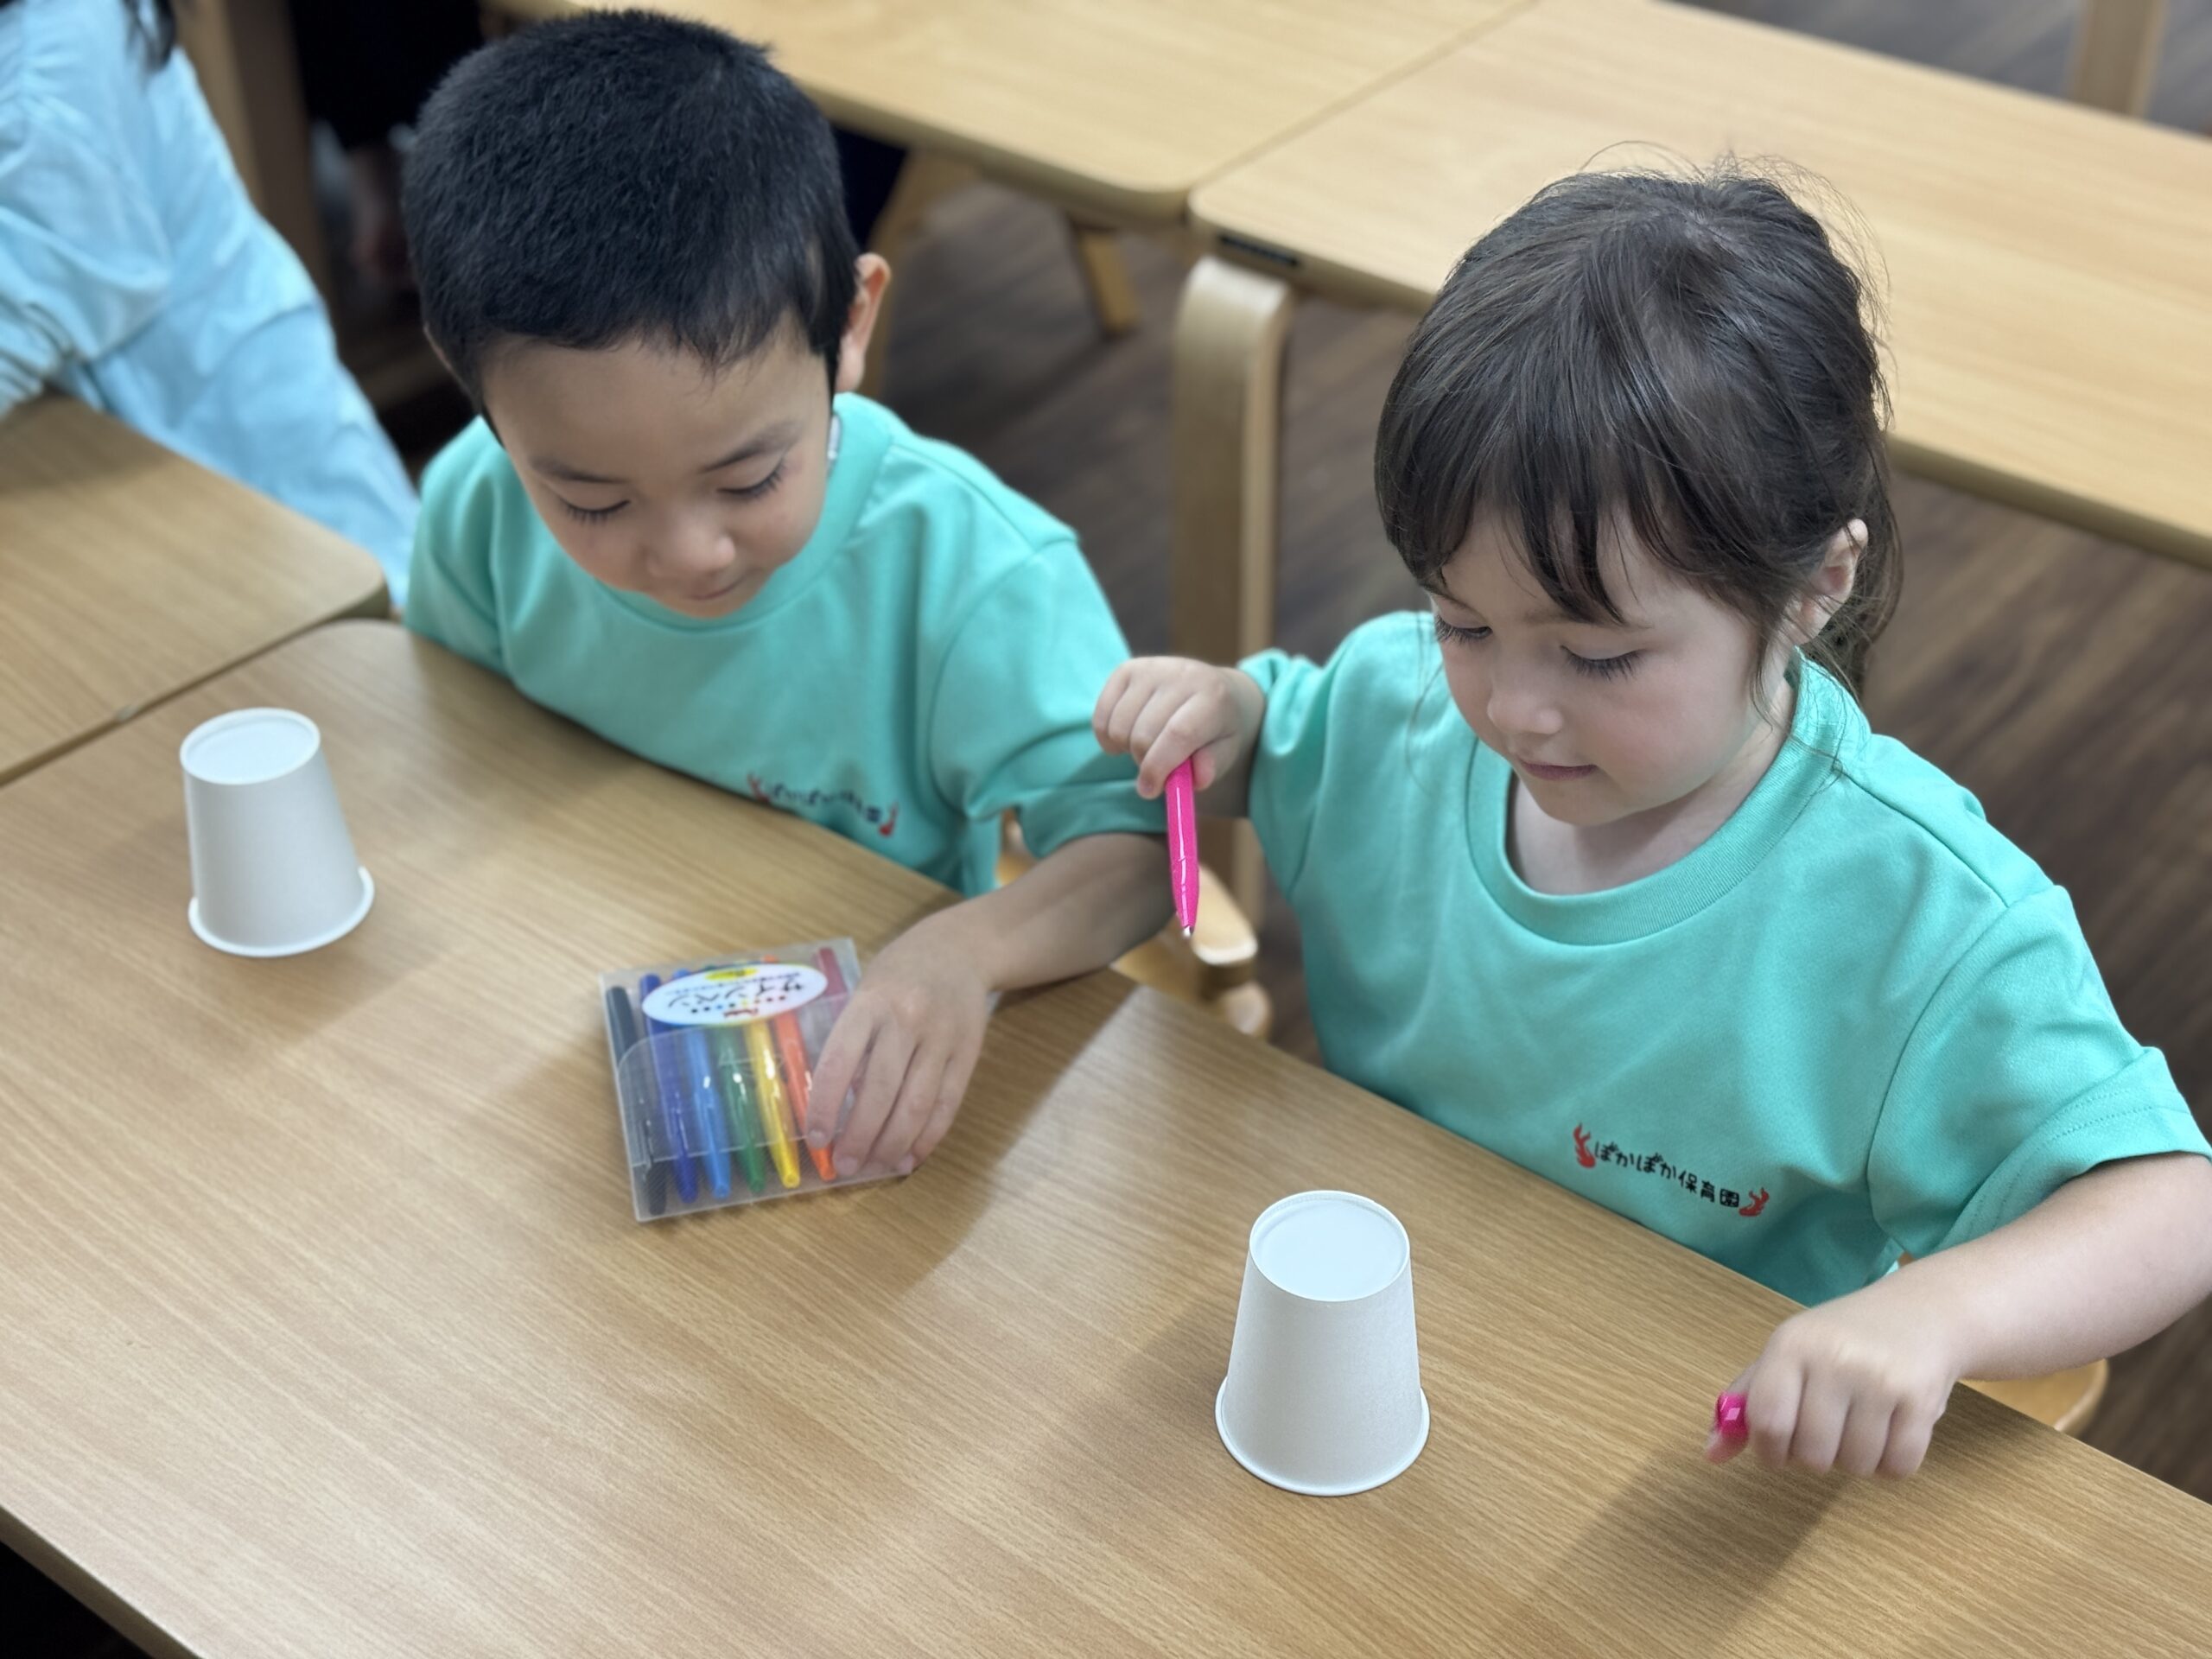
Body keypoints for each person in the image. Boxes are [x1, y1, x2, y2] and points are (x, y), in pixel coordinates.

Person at [1095, 165, 2212, 1478]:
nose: (1514, 708)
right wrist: (1221, 716)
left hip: (1670, 1459)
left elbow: (2170, 1203)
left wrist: (1934, 1311)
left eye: (1599, 656)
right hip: (1374, 1385)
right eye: (1462, 622)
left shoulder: (1917, 914)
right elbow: (1279, 740)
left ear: (1813, 588)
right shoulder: (1400, 709)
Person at [401, 12, 1168, 1179]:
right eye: (593, 501)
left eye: (750, 478)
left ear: (849, 325)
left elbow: (1137, 849)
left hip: (846, 1079)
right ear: (473, 391)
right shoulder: (478, 502)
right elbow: (450, 739)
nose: (690, 552)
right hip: (562, 1021)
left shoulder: (966, 568)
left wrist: (967, 951)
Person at [0, 0, 416, 598]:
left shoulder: (50, 51)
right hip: (130, 439)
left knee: (364, 603)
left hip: (222, 423)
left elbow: (41, 303)